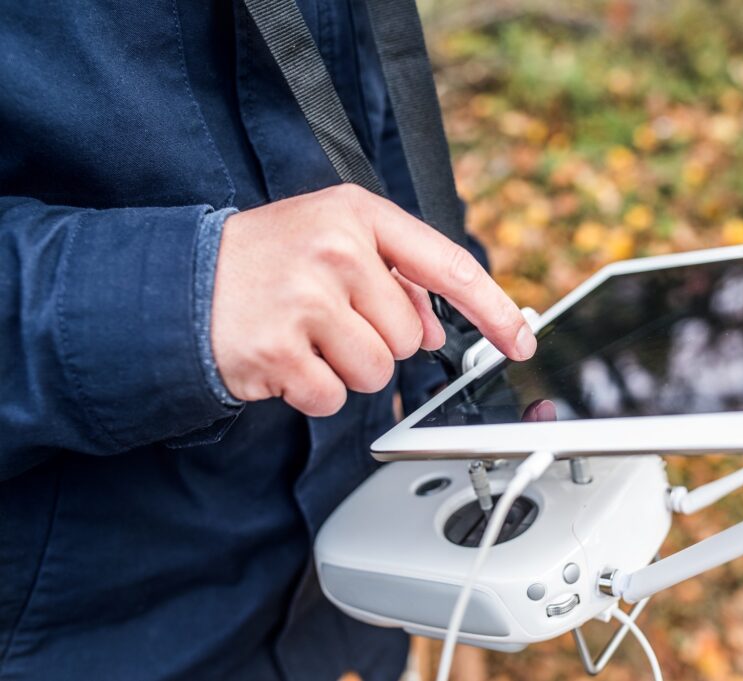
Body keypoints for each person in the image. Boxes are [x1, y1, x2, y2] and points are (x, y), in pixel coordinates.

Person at [0, 1, 536, 679]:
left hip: (362, 603)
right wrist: (179, 294)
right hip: (88, 637)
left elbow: (373, 109)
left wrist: (465, 395)